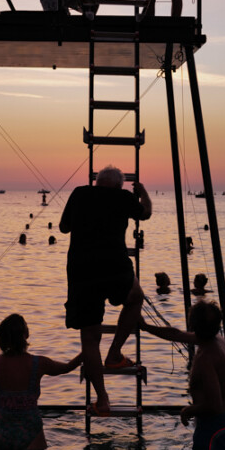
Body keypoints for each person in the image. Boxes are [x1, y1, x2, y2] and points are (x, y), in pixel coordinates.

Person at [59, 165, 152, 413]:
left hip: (82, 271)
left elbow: (63, 228)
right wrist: (143, 192)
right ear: (119, 186)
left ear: (97, 181)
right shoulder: (123, 197)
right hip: (114, 267)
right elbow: (146, 214)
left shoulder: (79, 193)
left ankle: (102, 400)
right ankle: (114, 353)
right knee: (135, 297)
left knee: (89, 339)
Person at [140, 301, 225, 450]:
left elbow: (215, 405)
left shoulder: (205, 358)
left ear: (193, 325)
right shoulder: (219, 341)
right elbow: (176, 334)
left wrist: (187, 410)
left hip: (215, 430)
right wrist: (146, 326)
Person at [0, 314, 82, 450]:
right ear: (25, 334)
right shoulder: (39, 363)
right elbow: (66, 368)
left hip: (0, 430)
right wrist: (85, 353)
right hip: (30, 429)